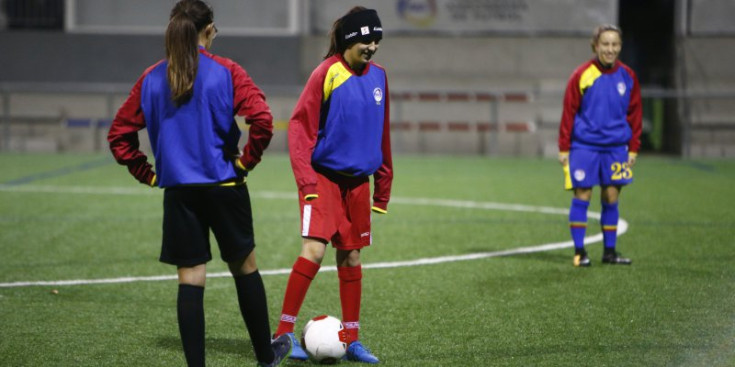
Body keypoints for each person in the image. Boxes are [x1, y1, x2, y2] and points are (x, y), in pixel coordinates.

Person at [107, 1, 290, 366]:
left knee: (190, 279)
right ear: (208, 30)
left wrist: (150, 173)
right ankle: (265, 357)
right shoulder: (227, 71)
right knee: (245, 268)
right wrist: (245, 162)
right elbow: (263, 120)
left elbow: (118, 136)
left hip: (179, 193)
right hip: (224, 187)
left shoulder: (153, 77)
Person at [273, 6, 393, 364]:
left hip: (358, 184)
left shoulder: (381, 77)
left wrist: (383, 182)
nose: (372, 47)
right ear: (350, 40)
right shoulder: (326, 73)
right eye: (367, 40)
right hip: (322, 179)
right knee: (314, 251)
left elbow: (382, 133)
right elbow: (299, 128)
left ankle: (352, 339)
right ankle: (282, 333)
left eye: (377, 40)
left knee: (352, 255)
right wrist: (307, 181)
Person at [558, 24, 641, 267]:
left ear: (620, 46)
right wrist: (564, 148)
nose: (610, 49)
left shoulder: (628, 76)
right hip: (585, 146)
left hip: (617, 148)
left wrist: (633, 148)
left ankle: (610, 252)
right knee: (583, 193)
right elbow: (569, 112)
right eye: (605, 44)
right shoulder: (582, 74)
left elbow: (635, 114)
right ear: (595, 45)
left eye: (615, 44)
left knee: (612, 195)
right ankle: (579, 252)